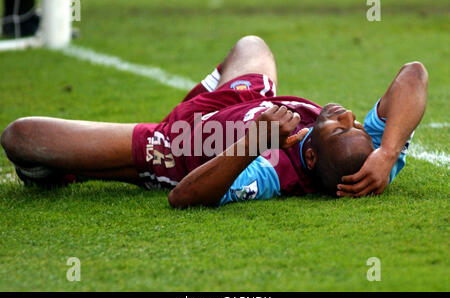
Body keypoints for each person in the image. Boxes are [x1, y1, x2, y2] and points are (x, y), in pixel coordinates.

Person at [0, 36, 428, 208]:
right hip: (239, 101)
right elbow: (414, 74)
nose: (349, 116)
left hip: (182, 145)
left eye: (340, 127)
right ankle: (193, 103)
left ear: (311, 156)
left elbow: (183, 198)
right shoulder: (370, 153)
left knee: (21, 137)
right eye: (357, 126)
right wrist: (388, 153)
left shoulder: (274, 173)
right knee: (252, 44)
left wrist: (255, 140)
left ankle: (84, 167)